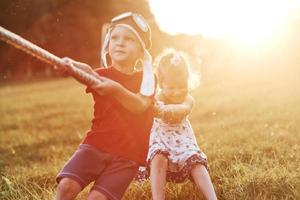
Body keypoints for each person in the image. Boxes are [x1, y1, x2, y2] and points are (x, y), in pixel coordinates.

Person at [54, 12, 155, 200]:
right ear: (108, 45)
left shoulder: (148, 80)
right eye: (115, 38)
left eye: (129, 39)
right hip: (95, 146)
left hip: (127, 157)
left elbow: (140, 105)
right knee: (66, 186)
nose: (120, 42)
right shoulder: (101, 76)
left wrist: (116, 90)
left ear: (142, 51)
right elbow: (87, 72)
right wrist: (71, 65)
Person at [145, 49, 217, 200]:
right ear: (161, 84)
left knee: (195, 161)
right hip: (161, 137)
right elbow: (150, 108)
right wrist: (153, 107)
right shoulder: (159, 96)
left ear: (188, 80)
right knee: (158, 158)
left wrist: (166, 109)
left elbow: (183, 109)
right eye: (171, 87)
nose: (177, 92)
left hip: (183, 138)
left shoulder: (188, 99)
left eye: (182, 86)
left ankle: (212, 197)